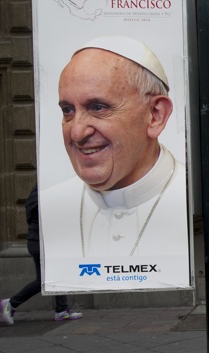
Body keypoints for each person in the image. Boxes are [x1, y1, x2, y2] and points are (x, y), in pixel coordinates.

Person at [42, 36, 187, 258]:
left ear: (155, 115)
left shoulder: (199, 198)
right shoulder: (49, 205)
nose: (77, 132)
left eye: (98, 107)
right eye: (68, 111)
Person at [0, 185, 82, 324]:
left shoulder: (41, 194)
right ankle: (12, 303)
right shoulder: (41, 195)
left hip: (44, 242)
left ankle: (61, 310)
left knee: (58, 276)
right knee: (43, 281)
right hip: (40, 243)